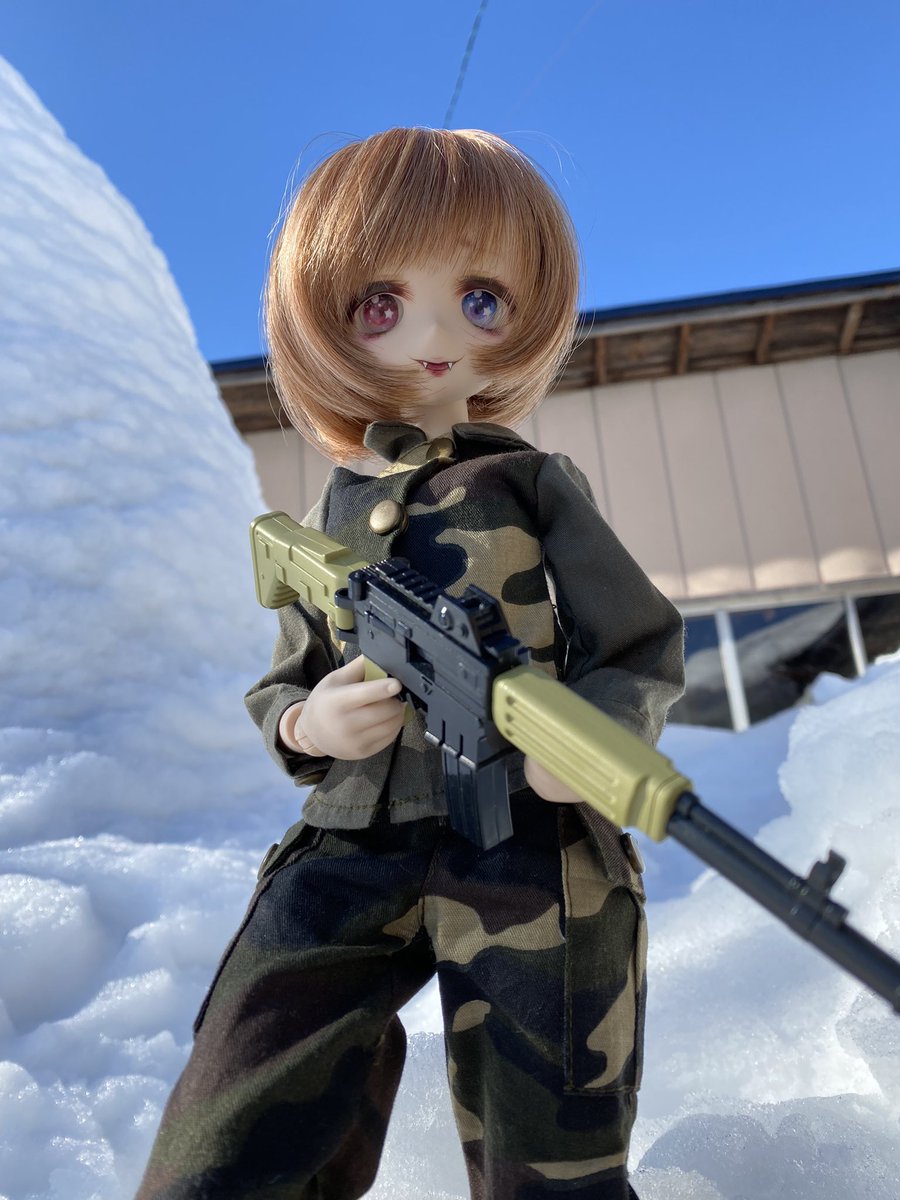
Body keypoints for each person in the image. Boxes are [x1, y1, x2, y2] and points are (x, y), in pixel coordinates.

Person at [136, 127, 684, 1200]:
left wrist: (597, 736)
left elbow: (638, 643)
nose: (434, 334)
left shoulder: (531, 485)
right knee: (238, 1107)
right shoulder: (334, 513)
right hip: (352, 837)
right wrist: (310, 724)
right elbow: (286, 679)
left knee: (552, 1148)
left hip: (529, 849)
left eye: (481, 300)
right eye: (380, 304)